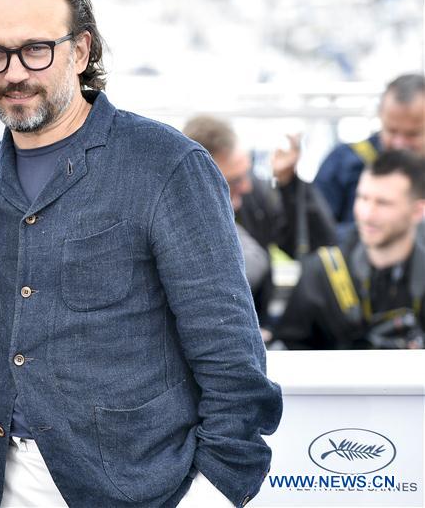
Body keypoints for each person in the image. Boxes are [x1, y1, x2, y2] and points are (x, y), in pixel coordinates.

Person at [0, 0, 282, 508]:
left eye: (36, 49)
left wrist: (213, 493)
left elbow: (232, 358)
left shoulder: (167, 165)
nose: (14, 71)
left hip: (142, 491)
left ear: (81, 51)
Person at [182, 115, 337, 332]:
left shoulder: (252, 197)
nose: (246, 186)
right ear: (195, 180)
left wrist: (289, 186)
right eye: (234, 181)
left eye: (247, 173)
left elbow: (320, 246)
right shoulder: (172, 220)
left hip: (257, 328)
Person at [277, 150, 425, 350]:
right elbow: (289, 353)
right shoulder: (321, 273)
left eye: (383, 203)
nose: (367, 214)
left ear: (418, 211)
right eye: (362, 198)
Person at [314, 73, 425, 240]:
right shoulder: (344, 162)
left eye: (413, 134)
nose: (399, 143)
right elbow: (315, 233)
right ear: (380, 117)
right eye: (392, 131)